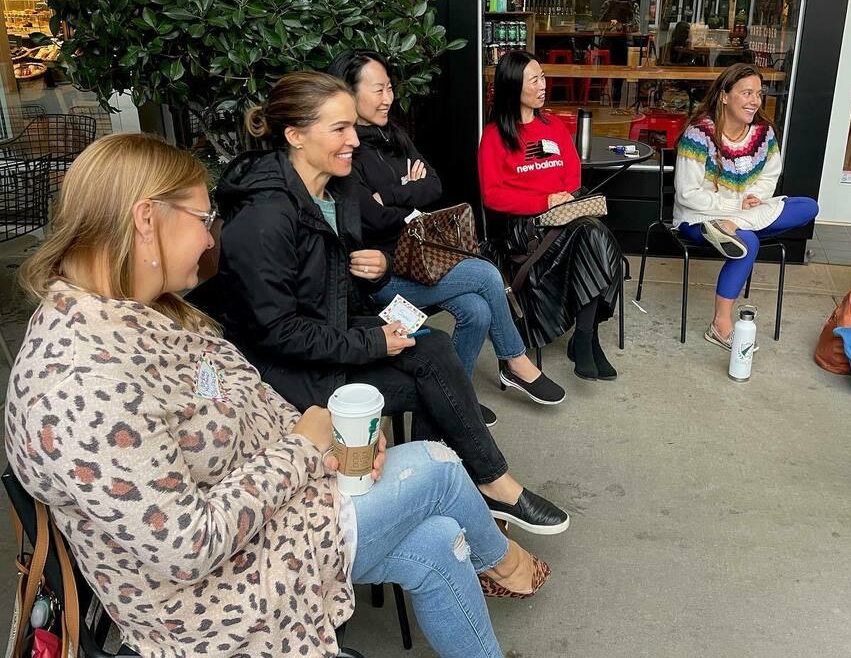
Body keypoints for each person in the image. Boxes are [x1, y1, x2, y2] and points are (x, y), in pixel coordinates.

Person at [5, 134, 550, 658]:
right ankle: (503, 560)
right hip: (214, 595)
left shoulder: (150, 311)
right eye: (202, 219)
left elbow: (246, 393)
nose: (210, 238)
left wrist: (334, 441)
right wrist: (307, 447)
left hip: (273, 505)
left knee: (435, 540)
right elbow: (187, 548)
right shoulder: (81, 382)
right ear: (146, 220)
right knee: (438, 465)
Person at [198, 71, 569, 536]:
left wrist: (383, 264)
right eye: (339, 129)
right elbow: (277, 332)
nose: (354, 139)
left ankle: (473, 489)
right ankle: (472, 492)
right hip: (285, 373)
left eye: (352, 126)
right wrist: (374, 340)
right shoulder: (264, 217)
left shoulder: (335, 190)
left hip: (328, 339)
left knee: (435, 350)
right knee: (440, 383)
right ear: (294, 136)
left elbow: (354, 266)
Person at [326, 50, 565, 406]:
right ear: (348, 93)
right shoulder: (345, 150)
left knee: (477, 310)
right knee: (485, 275)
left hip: (422, 260)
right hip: (383, 276)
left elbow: (434, 186)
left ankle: (455, 397)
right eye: (378, 90)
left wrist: (391, 195)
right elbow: (370, 219)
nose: (388, 98)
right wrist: (409, 199)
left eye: (390, 88)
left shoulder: (395, 136)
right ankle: (515, 361)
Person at [478, 50, 622, 381]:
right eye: (535, 80)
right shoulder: (496, 136)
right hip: (525, 226)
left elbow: (572, 176)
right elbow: (492, 194)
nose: (543, 85)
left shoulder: (553, 125)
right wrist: (544, 200)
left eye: (543, 77)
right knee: (594, 233)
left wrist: (563, 198)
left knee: (590, 233)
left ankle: (586, 337)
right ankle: (586, 341)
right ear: (514, 87)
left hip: (566, 215)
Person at [672, 63, 818, 349]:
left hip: (742, 215)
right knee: (747, 243)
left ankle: (733, 227)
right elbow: (687, 193)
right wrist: (734, 203)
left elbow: (769, 176)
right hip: (700, 217)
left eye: (758, 94)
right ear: (724, 96)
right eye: (746, 93)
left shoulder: (763, 134)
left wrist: (754, 198)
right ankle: (720, 324)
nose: (755, 101)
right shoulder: (699, 134)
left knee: (808, 206)